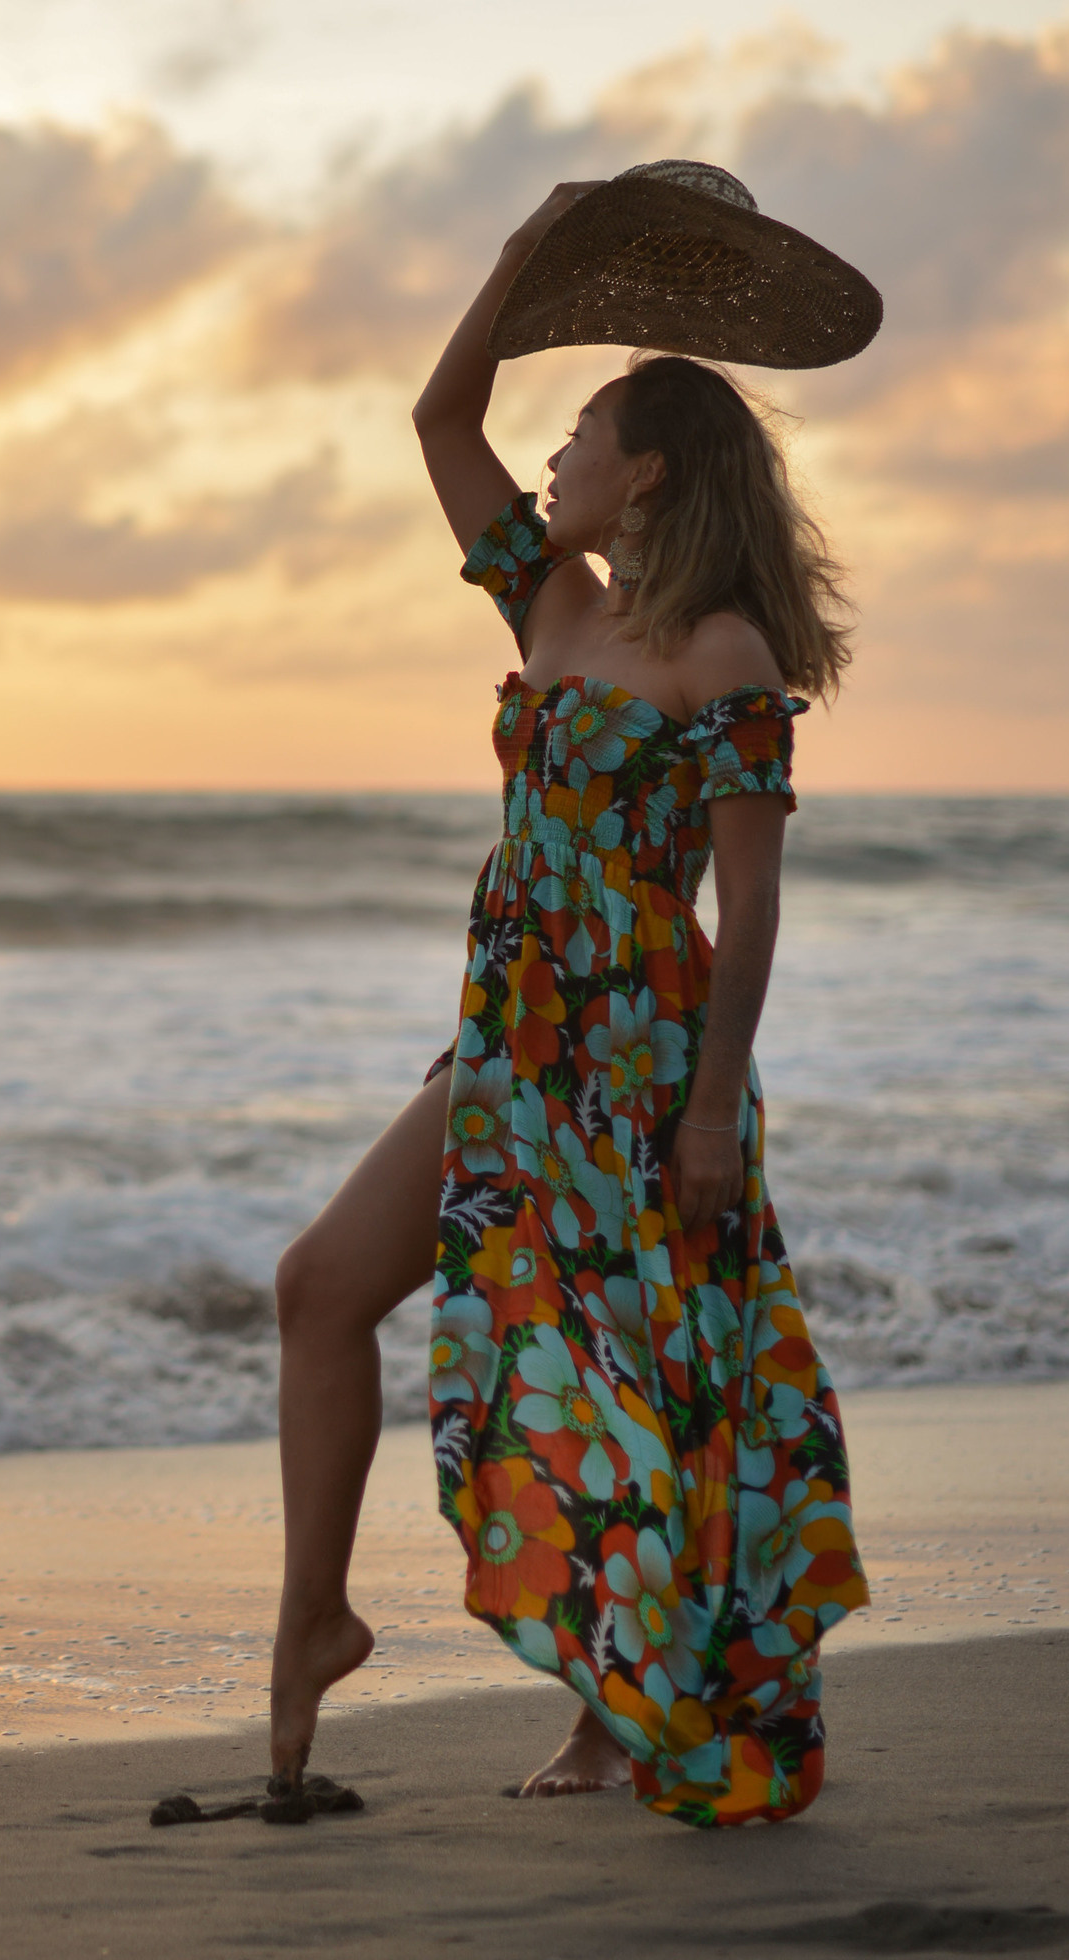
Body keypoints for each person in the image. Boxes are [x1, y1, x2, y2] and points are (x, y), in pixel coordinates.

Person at [267, 179, 869, 1828]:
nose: (551, 457)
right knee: (321, 1285)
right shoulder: (552, 602)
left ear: (649, 468)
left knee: (638, 1389)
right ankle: (316, 1617)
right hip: (509, 1051)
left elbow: (748, 917)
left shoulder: (724, 657)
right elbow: (438, 412)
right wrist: (525, 261)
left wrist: (703, 1110)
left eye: (584, 428)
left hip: (645, 1069)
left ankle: (615, 1719)